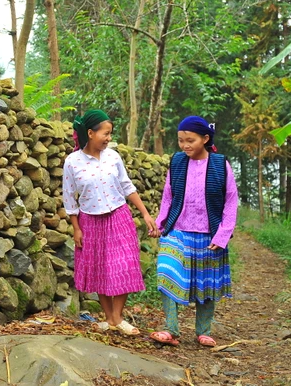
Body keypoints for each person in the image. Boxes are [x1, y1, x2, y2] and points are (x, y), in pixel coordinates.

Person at [63, 109, 159, 335]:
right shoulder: (72, 162)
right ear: (90, 133)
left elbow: (127, 186)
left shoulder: (113, 157)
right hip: (90, 221)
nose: (108, 138)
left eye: (110, 134)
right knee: (100, 269)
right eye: (105, 134)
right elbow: (69, 197)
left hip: (118, 215)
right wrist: (76, 228)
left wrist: (145, 213)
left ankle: (117, 317)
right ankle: (110, 319)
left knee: (125, 264)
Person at [150, 116, 238, 348]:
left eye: (190, 140)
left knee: (205, 284)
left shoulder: (220, 164)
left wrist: (223, 235)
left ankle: (204, 331)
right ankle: (171, 329)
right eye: (181, 140)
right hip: (177, 229)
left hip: (209, 234)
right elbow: (168, 194)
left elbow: (230, 201)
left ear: (205, 139)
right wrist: (161, 223)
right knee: (167, 273)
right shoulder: (177, 162)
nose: (185, 145)